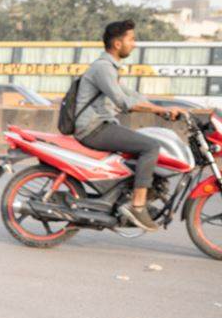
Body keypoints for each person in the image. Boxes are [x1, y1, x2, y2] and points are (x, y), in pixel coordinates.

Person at [75, 20, 188, 232]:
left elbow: (133, 95)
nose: (134, 44)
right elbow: (124, 102)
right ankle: (137, 205)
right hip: (93, 128)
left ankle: (122, 196)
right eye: (131, 39)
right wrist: (157, 111)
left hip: (102, 125)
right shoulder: (103, 68)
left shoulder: (110, 68)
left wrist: (163, 108)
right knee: (150, 146)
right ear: (117, 44)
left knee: (142, 143)